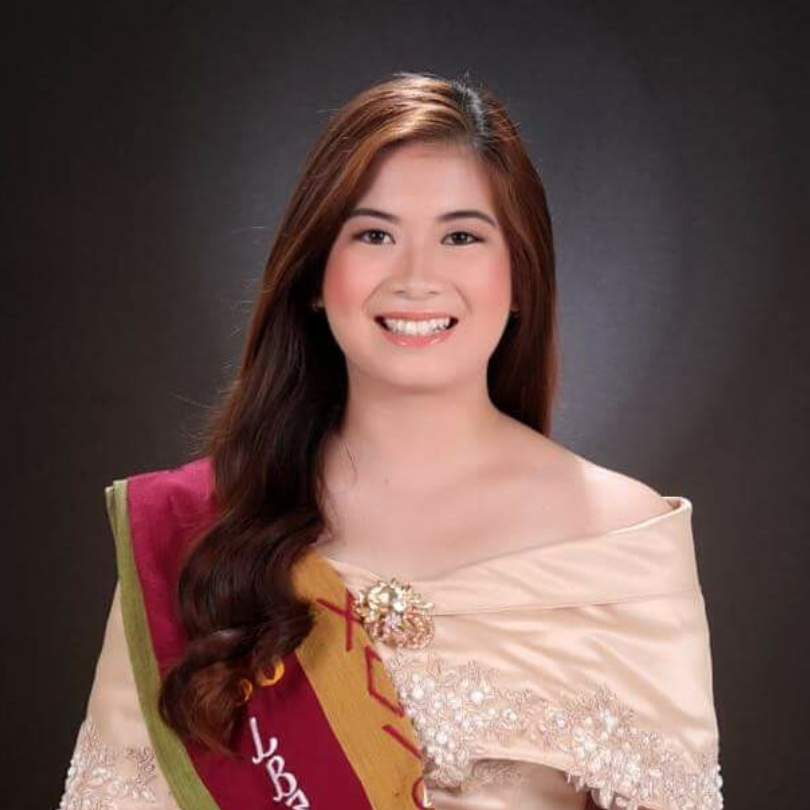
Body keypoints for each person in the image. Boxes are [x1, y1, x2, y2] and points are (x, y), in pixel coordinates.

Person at [55, 71, 724, 810]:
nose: (415, 277)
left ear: (521, 276)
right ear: (316, 275)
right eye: (374, 235)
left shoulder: (624, 540)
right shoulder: (197, 534)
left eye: (461, 236)